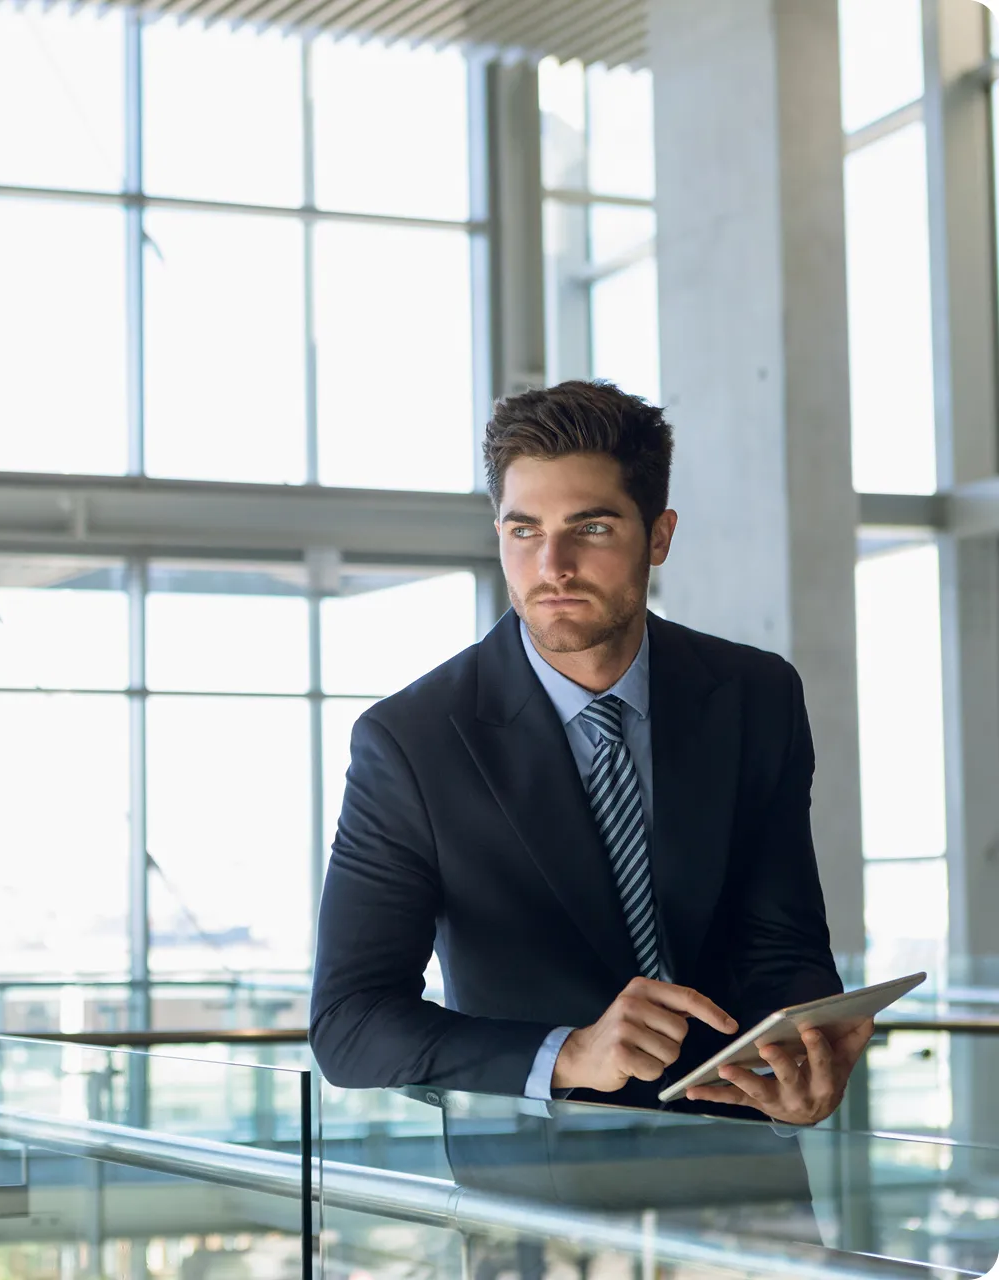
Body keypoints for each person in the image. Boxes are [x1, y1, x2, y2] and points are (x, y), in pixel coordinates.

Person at [310, 380, 873, 1125]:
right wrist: (567, 1054)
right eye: (523, 531)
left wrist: (799, 1060)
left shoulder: (754, 695)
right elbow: (350, 1024)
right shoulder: (412, 742)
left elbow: (782, 944)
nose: (553, 566)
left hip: (741, 1170)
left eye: (593, 528)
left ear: (659, 536)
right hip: (535, 1196)